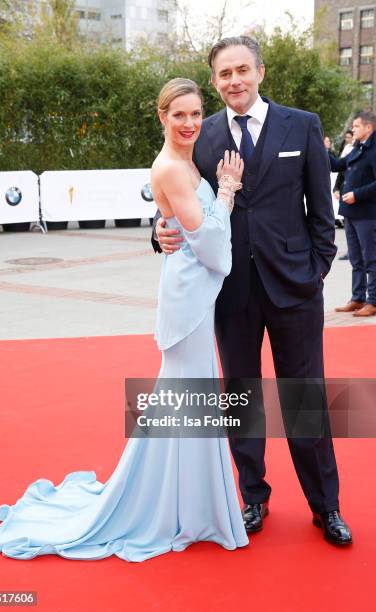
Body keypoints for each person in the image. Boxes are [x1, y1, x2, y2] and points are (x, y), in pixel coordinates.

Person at [0, 78, 249, 561]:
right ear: (162, 116)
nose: (190, 123)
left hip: (191, 293)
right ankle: (181, 509)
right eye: (179, 115)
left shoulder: (187, 159)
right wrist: (228, 191)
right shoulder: (171, 167)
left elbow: (184, 227)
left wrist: (176, 221)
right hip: (188, 298)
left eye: (195, 114)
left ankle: (183, 505)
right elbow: (212, 245)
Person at [153, 36, 352, 545]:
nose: (234, 80)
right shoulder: (202, 131)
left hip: (294, 291)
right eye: (224, 74)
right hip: (229, 293)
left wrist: (315, 271)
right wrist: (158, 230)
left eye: (242, 69)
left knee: (303, 399)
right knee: (242, 399)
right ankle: (252, 498)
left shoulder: (302, 125)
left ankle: (326, 506)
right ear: (215, 80)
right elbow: (172, 195)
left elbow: (321, 214)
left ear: (260, 72)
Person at [326, 112, 376, 317]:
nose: (353, 129)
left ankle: (373, 300)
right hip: (352, 212)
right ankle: (358, 298)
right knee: (356, 258)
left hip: (367, 213)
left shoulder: (373, 150)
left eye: (356, 126)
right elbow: (338, 165)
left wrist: (357, 194)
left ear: (368, 128)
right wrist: (324, 150)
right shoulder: (357, 147)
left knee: (371, 259)